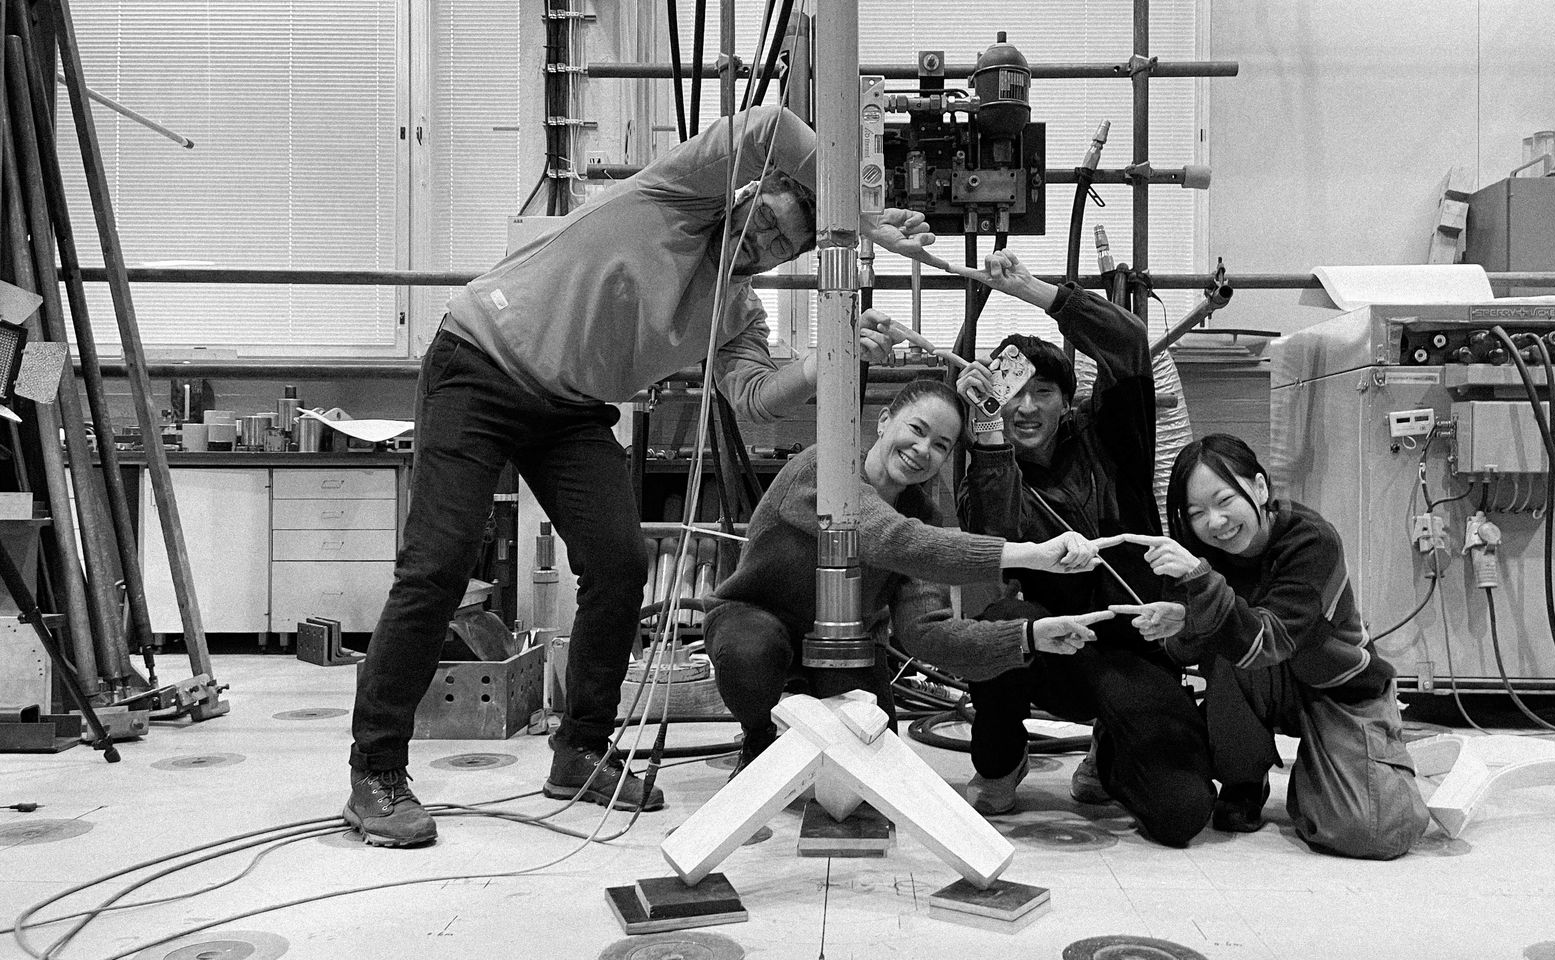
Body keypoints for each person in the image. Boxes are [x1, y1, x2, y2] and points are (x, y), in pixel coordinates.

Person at [343, 104, 937, 848]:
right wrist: (865, 217)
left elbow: (753, 397)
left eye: (783, 245)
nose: (762, 243)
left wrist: (827, 358)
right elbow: (770, 125)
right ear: (749, 191)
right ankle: (376, 770)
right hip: (480, 365)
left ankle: (581, 751)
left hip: (568, 411)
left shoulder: (736, 311)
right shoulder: (677, 194)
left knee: (620, 565)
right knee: (438, 565)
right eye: (766, 219)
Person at [707, 377, 1118, 771]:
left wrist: (1028, 637)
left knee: (872, 760)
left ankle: (806, 706)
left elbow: (926, 633)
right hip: (754, 616)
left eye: (940, 445)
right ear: (884, 420)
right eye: (917, 430)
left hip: (849, 640)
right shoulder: (823, 468)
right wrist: (1030, 554)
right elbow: (891, 539)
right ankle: (758, 735)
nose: (923, 450)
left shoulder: (922, 514)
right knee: (751, 653)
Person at [953, 250, 1216, 848]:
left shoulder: (1111, 440)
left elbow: (1128, 342)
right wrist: (985, 437)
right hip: (1048, 649)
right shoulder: (987, 471)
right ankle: (1001, 763)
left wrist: (1035, 290)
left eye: (1043, 391)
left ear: (1066, 399)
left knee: (1180, 813)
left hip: (1132, 650)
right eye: (1011, 393)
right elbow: (989, 553)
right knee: (999, 622)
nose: (1025, 407)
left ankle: (1111, 751)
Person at [1114, 433, 1431, 860]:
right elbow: (1184, 654)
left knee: (1372, 831)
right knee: (1226, 644)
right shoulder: (1196, 553)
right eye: (1197, 513)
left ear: (1260, 487)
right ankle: (1244, 780)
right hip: (1255, 683)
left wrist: (1203, 587)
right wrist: (1181, 624)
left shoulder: (1311, 540)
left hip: (1339, 687)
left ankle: (1333, 765)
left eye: (1225, 500)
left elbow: (1270, 638)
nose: (1215, 522)